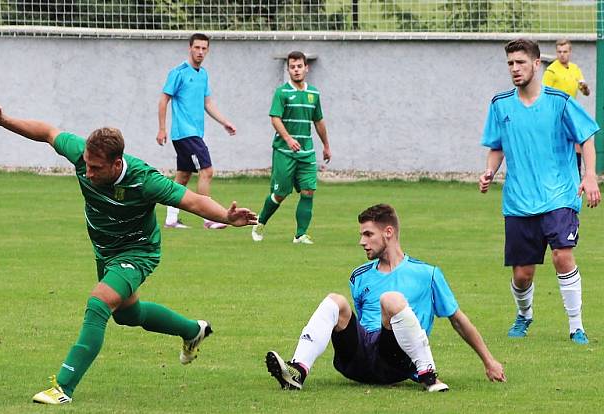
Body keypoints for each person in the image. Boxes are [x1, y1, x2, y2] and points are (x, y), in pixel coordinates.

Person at [0, 99, 257, 405]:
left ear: (116, 163)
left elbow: (192, 201)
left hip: (138, 251)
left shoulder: (145, 180)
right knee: (127, 314)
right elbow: (47, 132)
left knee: (99, 303)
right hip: (105, 251)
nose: (88, 172)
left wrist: (225, 217)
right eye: (86, 164)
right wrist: (4, 121)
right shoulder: (84, 156)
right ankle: (193, 330)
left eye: (96, 168)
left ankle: (63, 388)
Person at [265, 204, 506, 393]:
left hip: (395, 362)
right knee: (335, 301)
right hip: (358, 362)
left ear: (388, 232)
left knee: (391, 299)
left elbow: (458, 320)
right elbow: (358, 317)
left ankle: (427, 373)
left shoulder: (428, 274)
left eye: (368, 234)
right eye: (361, 235)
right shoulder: (359, 276)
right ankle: (297, 371)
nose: (362, 241)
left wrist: (489, 361)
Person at [479, 38, 600, 345]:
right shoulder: (500, 104)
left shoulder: (560, 102)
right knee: (523, 275)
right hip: (519, 201)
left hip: (559, 195)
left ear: (537, 65)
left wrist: (589, 176)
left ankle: (576, 326)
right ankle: (524, 315)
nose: (514, 69)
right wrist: (490, 171)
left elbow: (587, 138)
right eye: (510, 63)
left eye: (520, 62)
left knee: (562, 256)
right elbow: (496, 146)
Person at [157, 33, 237, 230]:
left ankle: (171, 219)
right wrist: (161, 129)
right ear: (190, 48)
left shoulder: (203, 74)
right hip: (184, 133)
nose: (200, 52)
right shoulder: (178, 72)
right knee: (207, 171)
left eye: (204, 48)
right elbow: (163, 100)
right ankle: (209, 218)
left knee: (183, 176)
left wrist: (224, 122)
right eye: (197, 47)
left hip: (193, 134)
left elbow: (207, 102)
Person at [251, 51, 331, 245]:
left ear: (306, 68)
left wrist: (326, 145)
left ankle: (300, 235)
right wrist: (288, 139)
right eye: (293, 67)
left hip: (307, 152)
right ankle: (260, 222)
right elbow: (275, 118)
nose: (296, 70)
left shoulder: (313, 93)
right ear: (288, 70)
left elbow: (318, 120)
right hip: (285, 151)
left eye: (299, 66)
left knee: (308, 191)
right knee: (280, 194)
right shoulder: (282, 92)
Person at [543, 38, 591, 175]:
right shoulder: (551, 71)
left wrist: (585, 88)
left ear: (570, 52)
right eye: (559, 52)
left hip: (571, 111)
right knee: (556, 145)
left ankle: (576, 175)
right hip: (556, 113)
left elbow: (586, 92)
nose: (562, 54)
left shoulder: (575, 69)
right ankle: (554, 175)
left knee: (577, 143)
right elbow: (544, 95)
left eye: (565, 51)